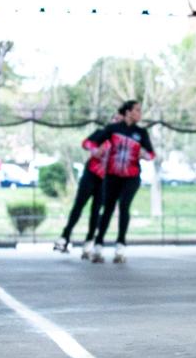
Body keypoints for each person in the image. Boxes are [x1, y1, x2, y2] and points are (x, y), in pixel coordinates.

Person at [88, 100, 157, 264]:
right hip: (112, 176)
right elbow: (91, 142)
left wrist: (144, 155)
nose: (140, 113)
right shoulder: (113, 129)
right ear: (128, 112)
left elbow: (152, 154)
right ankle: (98, 245)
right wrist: (95, 151)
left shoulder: (141, 133)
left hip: (131, 177)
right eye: (137, 110)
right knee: (108, 209)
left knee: (124, 206)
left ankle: (120, 245)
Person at [55, 106, 124, 255]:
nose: (117, 123)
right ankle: (65, 236)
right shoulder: (101, 134)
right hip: (91, 174)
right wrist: (95, 150)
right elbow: (86, 143)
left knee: (96, 211)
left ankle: (89, 241)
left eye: (120, 121)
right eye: (115, 119)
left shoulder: (122, 142)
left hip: (105, 179)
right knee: (79, 205)